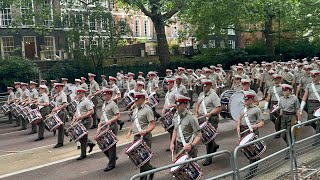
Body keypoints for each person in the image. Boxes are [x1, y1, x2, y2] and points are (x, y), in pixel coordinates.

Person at [127, 92, 156, 180]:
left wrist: (146, 131)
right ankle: (151, 169)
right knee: (139, 158)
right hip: (136, 137)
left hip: (145, 137)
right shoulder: (135, 109)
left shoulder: (147, 110)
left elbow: (152, 124)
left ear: (143, 99)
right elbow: (134, 122)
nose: (135, 102)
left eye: (137, 100)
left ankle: (143, 178)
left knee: (143, 160)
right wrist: (129, 131)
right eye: (135, 100)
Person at [236, 91, 264, 179]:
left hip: (252, 132)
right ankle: (254, 160)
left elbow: (262, 122)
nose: (245, 101)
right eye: (245, 99)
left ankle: (252, 172)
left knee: (252, 152)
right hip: (244, 131)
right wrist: (238, 127)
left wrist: (256, 125)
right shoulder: (242, 109)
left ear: (251, 99)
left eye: (247, 100)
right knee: (246, 150)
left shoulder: (256, 110)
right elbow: (239, 118)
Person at [195, 79, 221, 166]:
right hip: (202, 118)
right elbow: (197, 104)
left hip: (211, 118)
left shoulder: (214, 95)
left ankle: (208, 158)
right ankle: (214, 146)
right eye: (203, 85)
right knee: (205, 137)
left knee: (208, 138)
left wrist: (211, 113)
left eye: (206, 85)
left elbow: (218, 108)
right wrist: (196, 113)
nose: (204, 87)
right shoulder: (201, 94)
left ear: (210, 86)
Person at [170, 94, 202, 159]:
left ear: (185, 105)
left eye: (179, 104)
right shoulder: (176, 116)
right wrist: (172, 143)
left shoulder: (191, 118)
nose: (177, 106)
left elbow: (199, 135)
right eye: (177, 104)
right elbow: (175, 129)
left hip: (189, 147)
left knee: (190, 168)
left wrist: (191, 145)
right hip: (179, 146)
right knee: (180, 167)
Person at [98, 88, 121, 172]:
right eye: (103, 95)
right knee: (102, 145)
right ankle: (113, 157)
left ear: (109, 95)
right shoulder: (104, 104)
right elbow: (104, 115)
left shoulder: (112, 104)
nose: (103, 96)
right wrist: (100, 122)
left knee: (111, 146)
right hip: (104, 126)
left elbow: (118, 115)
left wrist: (110, 121)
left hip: (111, 126)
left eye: (105, 95)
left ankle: (112, 164)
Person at [72, 87, 96, 160]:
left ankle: (83, 154)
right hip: (80, 120)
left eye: (78, 93)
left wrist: (82, 117)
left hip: (86, 120)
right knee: (79, 135)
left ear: (83, 93)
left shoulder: (86, 101)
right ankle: (90, 144)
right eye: (77, 93)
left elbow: (91, 111)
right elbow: (77, 111)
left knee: (82, 137)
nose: (77, 95)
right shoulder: (79, 101)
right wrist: (74, 118)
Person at [300, 70, 320, 144]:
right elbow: (305, 96)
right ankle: (319, 133)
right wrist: (301, 107)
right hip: (310, 105)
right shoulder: (309, 86)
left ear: (318, 76)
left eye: (315, 76)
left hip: (319, 105)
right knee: (311, 122)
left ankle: (317, 139)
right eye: (312, 76)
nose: (313, 77)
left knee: (319, 123)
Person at [264, 74, 283, 138]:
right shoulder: (271, 88)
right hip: (273, 104)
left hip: (280, 103)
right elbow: (269, 96)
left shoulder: (282, 87)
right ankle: (279, 127)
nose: (275, 80)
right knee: (272, 118)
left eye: (277, 79)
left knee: (279, 118)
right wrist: (266, 106)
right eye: (274, 79)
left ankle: (278, 132)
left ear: (280, 79)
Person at [161, 78, 178, 152]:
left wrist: (173, 105)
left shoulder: (175, 92)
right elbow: (166, 103)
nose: (167, 86)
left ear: (172, 84)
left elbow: (178, 103)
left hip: (173, 112)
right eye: (166, 84)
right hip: (167, 112)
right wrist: (163, 110)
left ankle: (173, 144)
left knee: (172, 129)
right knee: (169, 129)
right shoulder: (168, 93)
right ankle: (173, 143)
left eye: (168, 84)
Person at [51, 83, 68, 148]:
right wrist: (54, 109)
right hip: (58, 111)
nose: (55, 89)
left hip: (62, 112)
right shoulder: (58, 95)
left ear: (60, 87)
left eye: (56, 88)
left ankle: (60, 142)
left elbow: (65, 104)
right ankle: (67, 132)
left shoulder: (62, 95)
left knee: (60, 127)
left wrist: (57, 108)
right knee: (59, 126)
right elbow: (57, 104)